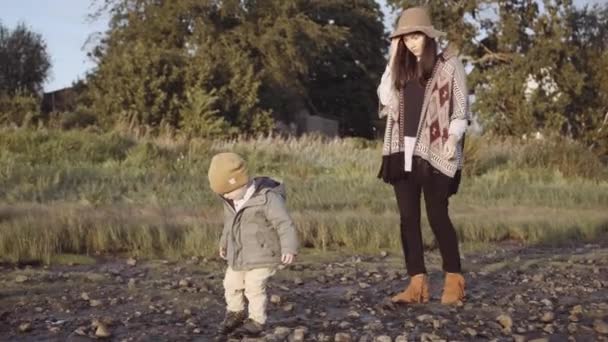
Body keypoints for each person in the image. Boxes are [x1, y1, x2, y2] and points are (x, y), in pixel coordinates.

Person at [377, 6, 469, 305]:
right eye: (405, 37)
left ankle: (454, 280)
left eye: (416, 35)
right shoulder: (400, 68)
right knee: (407, 219)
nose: (411, 42)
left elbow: (460, 109)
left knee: (437, 215)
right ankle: (417, 284)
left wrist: (452, 138)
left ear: (428, 35)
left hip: (435, 151)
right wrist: (392, 58)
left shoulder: (448, 64)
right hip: (401, 149)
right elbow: (386, 99)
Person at [208, 152, 299, 336]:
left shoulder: (267, 198)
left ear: (240, 181)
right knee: (230, 283)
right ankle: (236, 312)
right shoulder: (231, 200)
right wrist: (224, 242)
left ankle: (257, 321)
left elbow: (284, 223)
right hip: (239, 254)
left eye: (228, 192)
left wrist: (289, 247)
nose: (226, 196)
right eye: (222, 194)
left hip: (264, 254)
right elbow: (229, 224)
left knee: (254, 286)